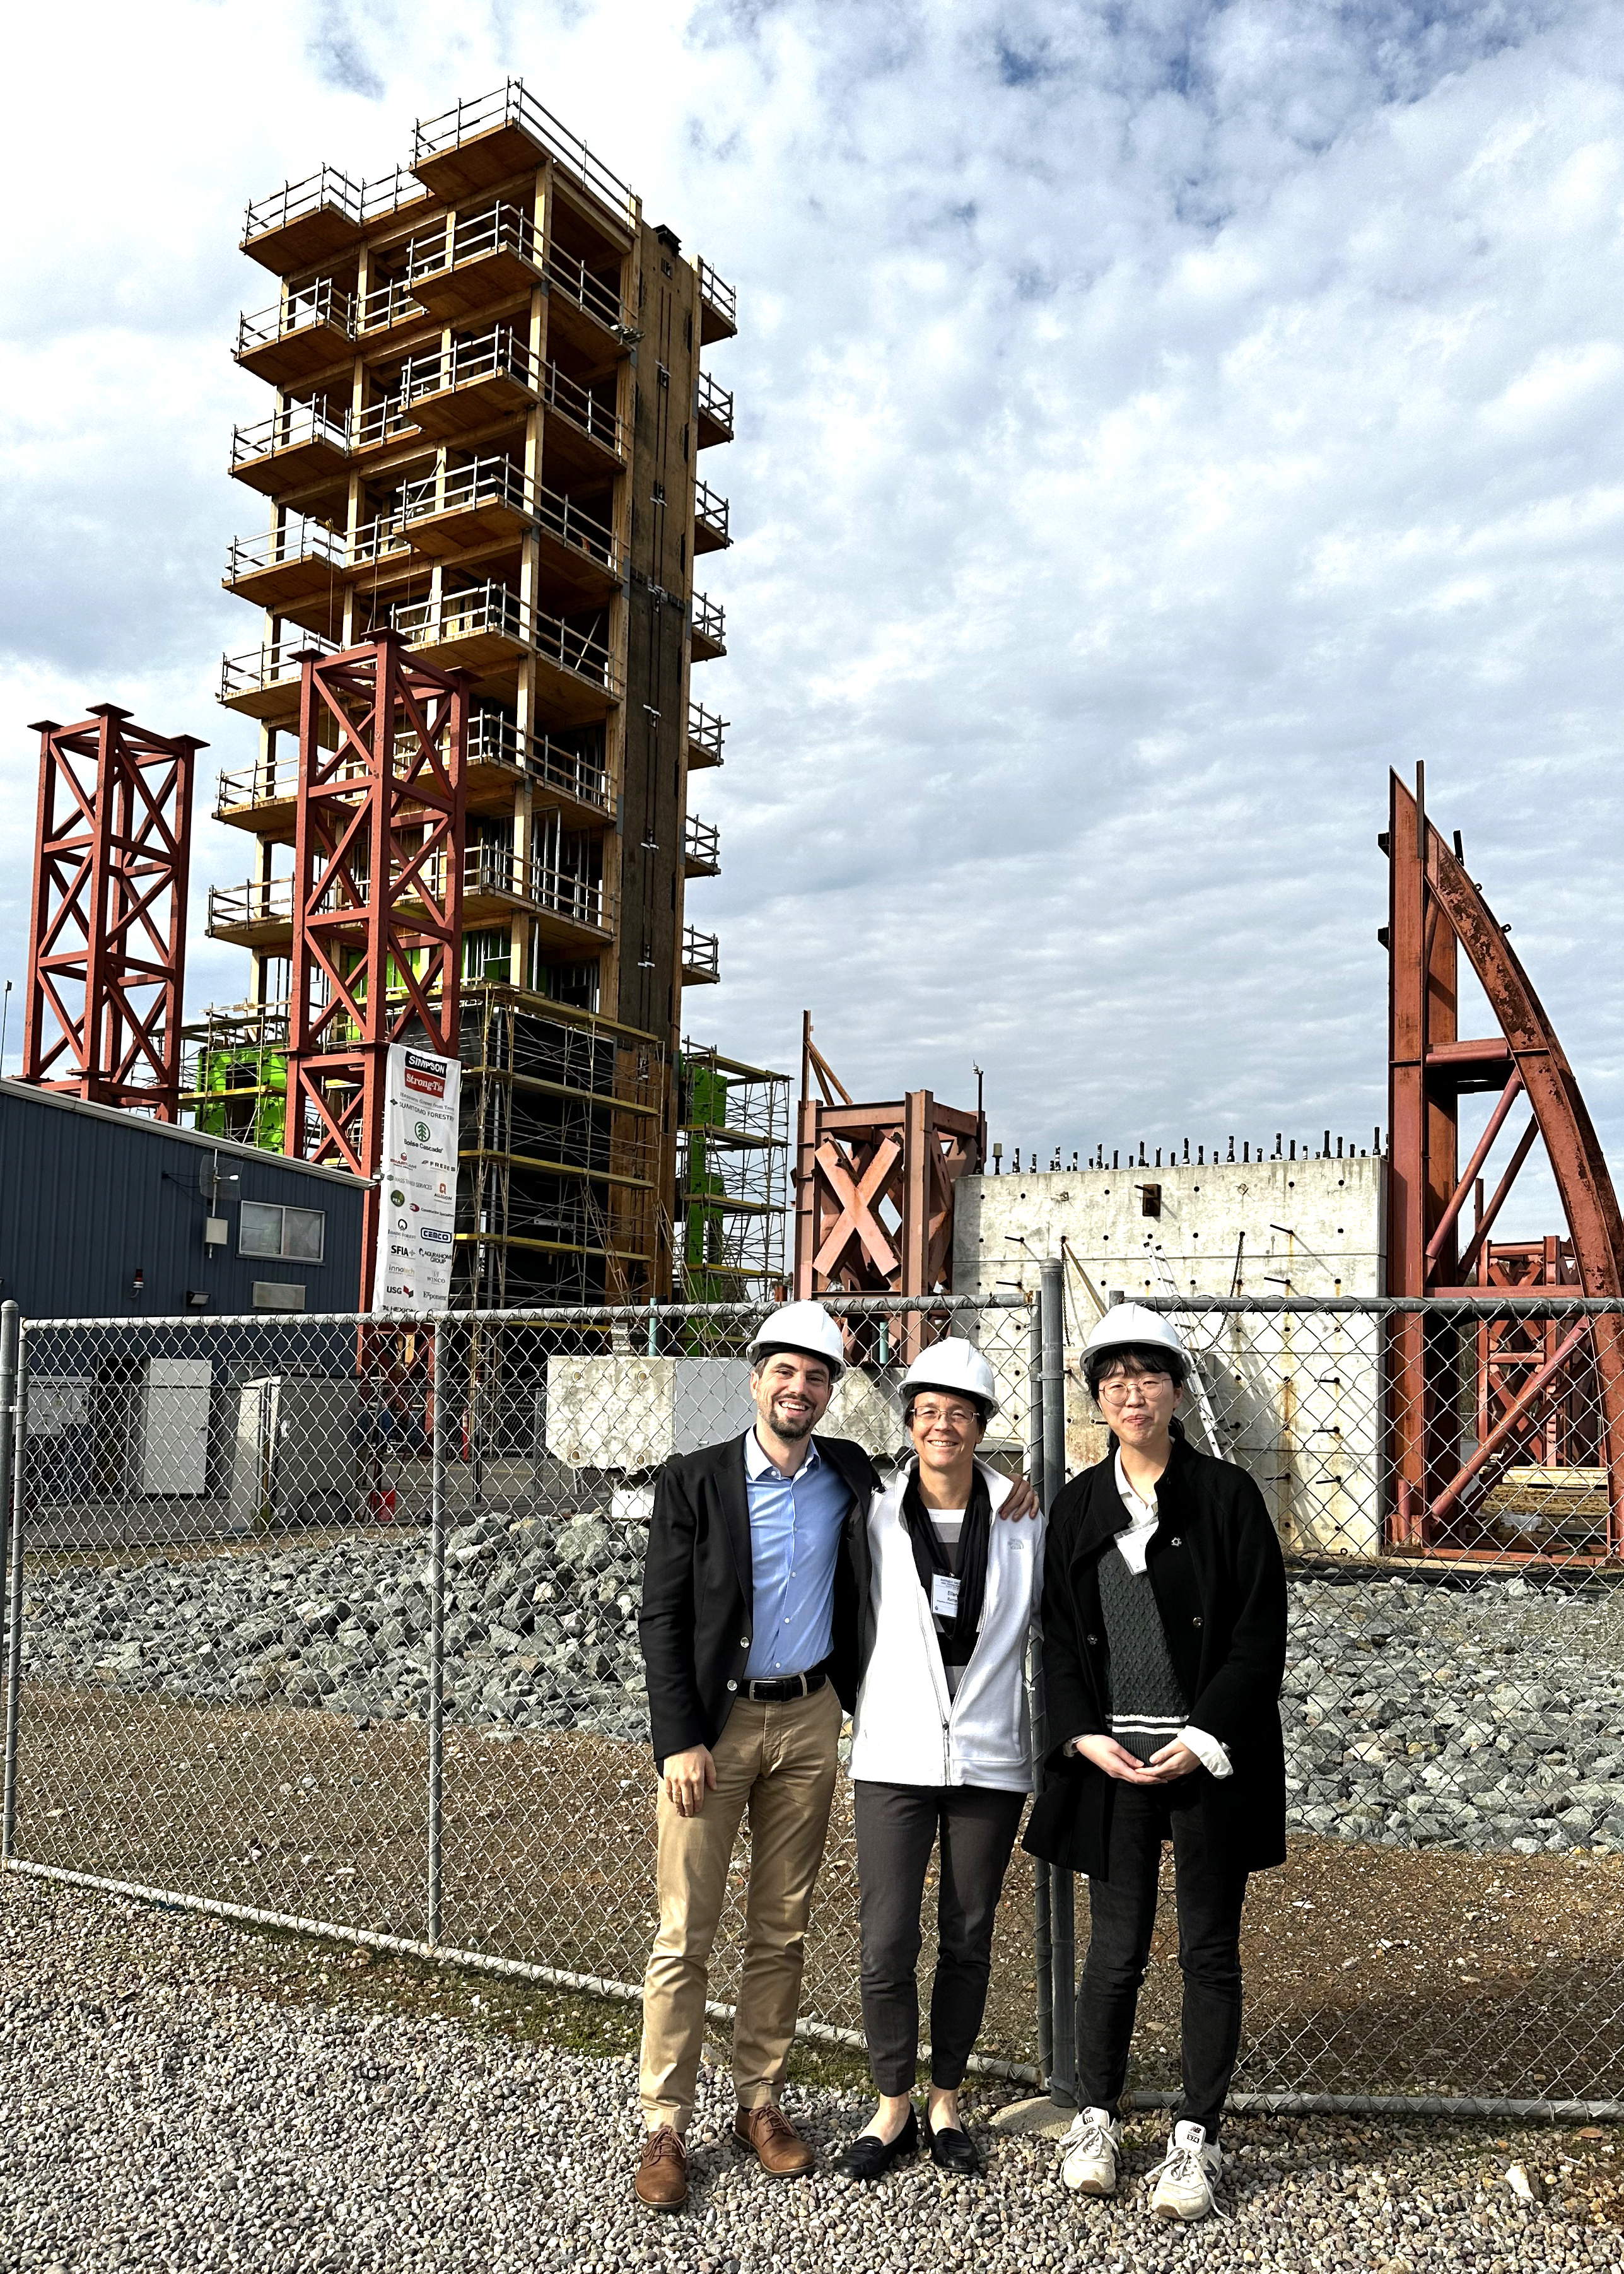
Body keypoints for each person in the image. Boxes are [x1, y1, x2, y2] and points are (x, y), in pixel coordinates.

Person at [634, 1300, 1037, 2210]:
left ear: (831, 1393)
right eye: (786, 1372)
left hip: (814, 1718)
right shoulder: (693, 1480)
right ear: (756, 1379)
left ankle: (760, 2101)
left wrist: (1018, 1481)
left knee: (783, 1923)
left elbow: (948, 1478)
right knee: (684, 1927)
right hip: (716, 1727)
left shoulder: (850, 1475)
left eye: (817, 1377)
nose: (799, 1388)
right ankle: (665, 2119)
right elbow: (661, 1617)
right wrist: (677, 1738)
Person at [1024, 1303, 1287, 2225]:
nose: (1131, 1391)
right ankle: (1096, 2114)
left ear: (1177, 1389)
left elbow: (1257, 1634)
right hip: (1111, 1763)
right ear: (1097, 1396)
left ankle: (1195, 2135)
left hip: (1202, 1760)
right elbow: (1056, 1633)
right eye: (1113, 1377)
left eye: (1149, 1374)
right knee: (1116, 1947)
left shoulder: (1225, 1497)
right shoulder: (1081, 1504)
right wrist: (1080, 1732)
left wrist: (1207, 1734)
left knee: (1209, 1949)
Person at [836, 1339, 1044, 2182]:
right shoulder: (876, 1513)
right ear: (910, 1421)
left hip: (989, 1756)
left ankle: (946, 2098)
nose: (941, 1425)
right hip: (895, 1750)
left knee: (968, 1935)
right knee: (886, 1938)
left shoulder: (1024, 1516)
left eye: (959, 1412)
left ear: (982, 1425)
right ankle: (892, 2102)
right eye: (927, 1411)